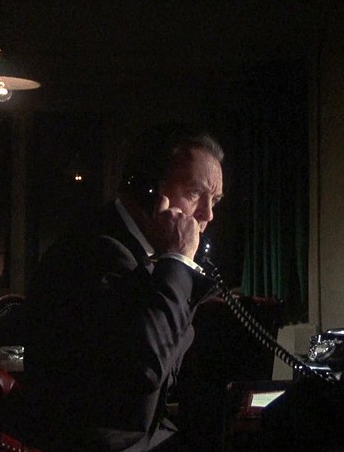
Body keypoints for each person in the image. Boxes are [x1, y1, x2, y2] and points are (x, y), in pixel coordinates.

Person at [21, 123, 225, 451]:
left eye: (214, 200)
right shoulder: (96, 252)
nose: (208, 214)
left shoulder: (147, 256)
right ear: (148, 190)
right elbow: (145, 368)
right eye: (194, 194)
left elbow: (171, 370)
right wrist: (177, 260)